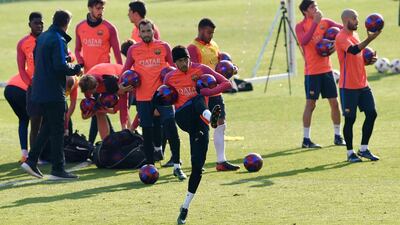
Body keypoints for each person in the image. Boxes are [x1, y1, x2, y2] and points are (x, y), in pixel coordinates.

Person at [164, 45, 231, 224]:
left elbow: (227, 83)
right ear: (174, 62)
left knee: (197, 167)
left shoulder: (201, 69)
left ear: (188, 58)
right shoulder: (169, 77)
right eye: (179, 61)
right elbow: (164, 96)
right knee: (197, 99)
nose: (184, 63)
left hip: (200, 123)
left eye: (186, 59)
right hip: (183, 116)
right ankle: (212, 118)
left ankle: (185, 207)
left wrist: (209, 91)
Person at [120, 19, 186, 180]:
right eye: (143, 32)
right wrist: (121, 86)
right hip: (143, 99)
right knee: (147, 134)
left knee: (171, 129)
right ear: (139, 33)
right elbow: (125, 70)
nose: (146, 34)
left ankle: (177, 165)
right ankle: (150, 167)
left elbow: (173, 69)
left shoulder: (163, 47)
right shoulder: (134, 50)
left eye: (149, 31)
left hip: (163, 98)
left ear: (153, 31)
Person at [21, 10, 82, 180]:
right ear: (66, 23)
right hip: (53, 91)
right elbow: (59, 67)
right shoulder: (58, 38)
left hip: (39, 89)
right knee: (56, 130)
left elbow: (40, 59)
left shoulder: (43, 37)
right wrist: (76, 69)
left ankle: (31, 160)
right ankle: (58, 169)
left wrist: (64, 62)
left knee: (48, 126)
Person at [187, 18, 240, 171]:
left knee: (221, 124)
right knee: (201, 129)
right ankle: (197, 163)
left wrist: (231, 69)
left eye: (212, 33)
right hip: (203, 94)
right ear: (201, 30)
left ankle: (221, 161)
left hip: (216, 92)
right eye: (209, 32)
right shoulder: (193, 48)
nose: (211, 36)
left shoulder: (214, 45)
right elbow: (194, 71)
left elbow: (219, 66)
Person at [295, 0, 346, 148]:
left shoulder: (326, 22)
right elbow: (303, 41)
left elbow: (345, 30)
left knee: (335, 103)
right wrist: (315, 23)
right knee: (311, 105)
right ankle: (306, 139)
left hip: (327, 70)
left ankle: (337, 136)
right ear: (305, 11)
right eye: (312, 7)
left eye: (316, 6)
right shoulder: (300, 26)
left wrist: (335, 44)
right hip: (312, 72)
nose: (316, 8)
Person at [335, 9, 381, 162]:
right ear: (346, 20)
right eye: (355, 18)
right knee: (350, 119)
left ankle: (364, 149)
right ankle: (350, 153)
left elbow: (357, 58)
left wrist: (368, 61)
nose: (357, 21)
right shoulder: (341, 37)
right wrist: (370, 39)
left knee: (372, 113)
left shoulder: (354, 35)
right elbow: (354, 50)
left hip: (363, 84)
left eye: (357, 18)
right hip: (348, 87)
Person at [75, 0, 122, 143]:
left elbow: (117, 54)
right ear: (90, 8)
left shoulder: (109, 28)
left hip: (105, 79)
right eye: (98, 8)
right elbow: (77, 49)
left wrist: (121, 75)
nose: (101, 11)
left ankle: (92, 143)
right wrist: (81, 64)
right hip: (88, 80)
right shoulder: (80, 27)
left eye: (102, 8)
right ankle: (107, 140)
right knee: (96, 111)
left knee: (101, 110)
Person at [17, 12, 43, 162]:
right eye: (36, 23)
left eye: (41, 23)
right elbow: (21, 68)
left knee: (55, 122)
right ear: (30, 25)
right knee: (35, 123)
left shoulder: (48, 39)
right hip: (34, 89)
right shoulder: (23, 43)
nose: (39, 25)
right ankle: (35, 157)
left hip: (50, 87)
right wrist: (31, 84)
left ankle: (55, 153)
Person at [79, 63, 127, 140]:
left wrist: (114, 110)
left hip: (121, 75)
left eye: (91, 92)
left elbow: (123, 102)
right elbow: (89, 110)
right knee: (99, 112)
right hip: (101, 77)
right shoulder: (86, 83)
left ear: (97, 85)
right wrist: (86, 114)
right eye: (88, 92)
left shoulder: (110, 82)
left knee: (124, 110)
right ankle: (106, 142)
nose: (90, 94)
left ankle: (129, 134)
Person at [4, 74, 29, 162]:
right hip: (22, 91)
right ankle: (37, 154)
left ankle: (24, 155)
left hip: (8, 90)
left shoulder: (30, 66)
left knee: (23, 119)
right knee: (37, 120)